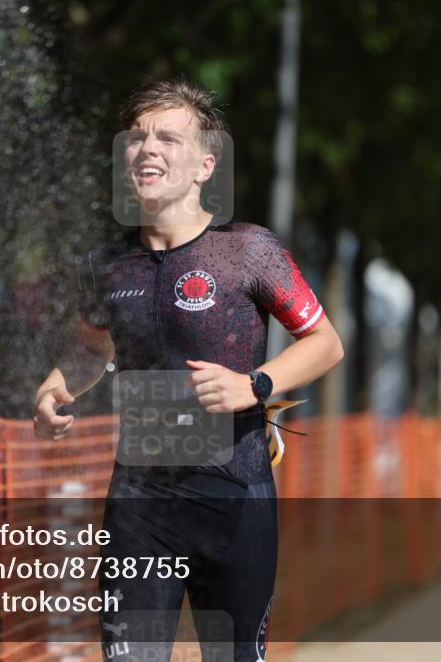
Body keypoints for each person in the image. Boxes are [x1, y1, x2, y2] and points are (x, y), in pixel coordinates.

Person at [33, 77, 343, 662]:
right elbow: (93, 349)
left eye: (169, 138)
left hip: (234, 498)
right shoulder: (106, 266)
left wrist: (255, 384)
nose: (148, 148)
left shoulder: (248, 251)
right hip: (139, 507)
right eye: (137, 137)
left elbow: (325, 343)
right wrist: (57, 385)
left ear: (206, 165)